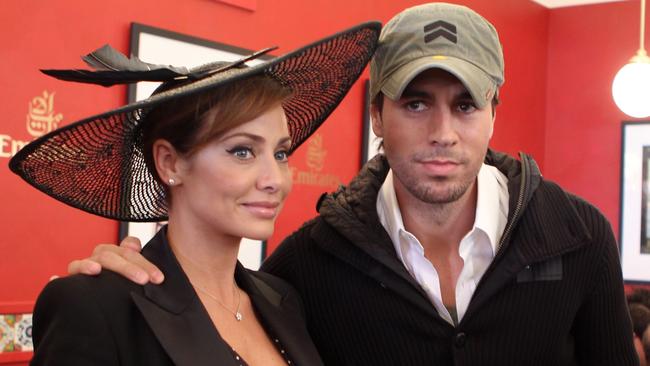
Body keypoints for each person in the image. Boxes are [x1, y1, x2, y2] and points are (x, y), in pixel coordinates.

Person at [66, 3, 639, 365]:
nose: (443, 132)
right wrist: (121, 284)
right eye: (416, 104)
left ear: (495, 111)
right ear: (375, 114)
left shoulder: (575, 234)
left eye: (465, 106)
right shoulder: (305, 269)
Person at [10, 22, 379, 366]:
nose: (275, 179)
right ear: (170, 163)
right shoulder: (95, 307)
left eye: (280, 153)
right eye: (242, 151)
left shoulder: (284, 299)